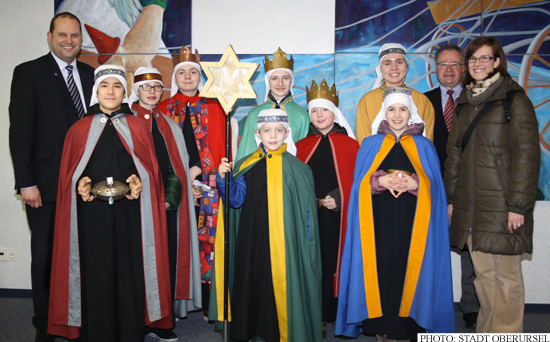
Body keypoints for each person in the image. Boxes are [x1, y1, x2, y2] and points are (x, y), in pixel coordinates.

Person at [48, 65, 172, 341]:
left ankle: (130, 331)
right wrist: (78, 185)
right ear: (96, 91)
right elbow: (69, 174)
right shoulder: (79, 129)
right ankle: (96, 331)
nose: (111, 91)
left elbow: (152, 171)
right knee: (97, 272)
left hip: (130, 213)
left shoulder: (139, 127)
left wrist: (141, 181)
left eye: (117, 86)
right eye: (105, 86)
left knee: (129, 272)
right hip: (92, 215)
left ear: (124, 92)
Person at [336, 87, 454, 340]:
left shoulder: (424, 145)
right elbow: (359, 184)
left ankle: (406, 327)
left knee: (407, 267)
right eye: (392, 109)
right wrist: (380, 182)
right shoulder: (370, 144)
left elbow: (435, 185)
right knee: (381, 266)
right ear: (384, 113)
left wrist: (416, 184)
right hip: (378, 220)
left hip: (413, 222)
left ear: (410, 113)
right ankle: (380, 326)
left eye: (402, 109)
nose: (397, 115)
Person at [8, 12, 94, 342]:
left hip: (86, 186)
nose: (69, 41)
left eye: (74, 36)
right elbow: (20, 134)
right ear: (49, 36)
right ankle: (44, 322)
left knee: (81, 254)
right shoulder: (28, 73)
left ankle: (77, 317)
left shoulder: (90, 75)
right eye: (63, 35)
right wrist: (26, 182)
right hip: (43, 185)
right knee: (45, 255)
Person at [444, 37, 540, 333]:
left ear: (497, 62)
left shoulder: (514, 100)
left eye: (484, 58)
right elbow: (454, 155)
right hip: (470, 206)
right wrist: (451, 199)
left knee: (507, 276)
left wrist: (518, 206)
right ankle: (487, 332)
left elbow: (527, 156)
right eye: (473, 59)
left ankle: (508, 333)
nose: (477, 64)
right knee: (484, 275)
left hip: (502, 205)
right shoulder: (465, 103)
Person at [211, 109, 322, 342]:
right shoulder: (245, 164)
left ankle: (277, 330)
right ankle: (248, 327)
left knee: (278, 288)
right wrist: (224, 180)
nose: (273, 135)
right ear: (258, 134)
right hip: (251, 241)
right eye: (267, 131)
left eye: (278, 130)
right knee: (251, 282)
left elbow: (307, 219)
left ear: (287, 133)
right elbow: (235, 200)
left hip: (284, 245)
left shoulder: (299, 169)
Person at [130, 67, 202, 341]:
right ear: (136, 91)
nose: (151, 91)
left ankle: (160, 322)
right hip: (134, 206)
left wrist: (176, 194)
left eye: (157, 87)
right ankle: (135, 320)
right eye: (146, 87)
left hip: (166, 208)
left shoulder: (169, 124)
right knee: (138, 261)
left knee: (166, 260)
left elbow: (182, 166)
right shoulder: (125, 121)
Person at [157, 46, 227, 319]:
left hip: (208, 187)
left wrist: (199, 171)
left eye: (193, 72)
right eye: (182, 72)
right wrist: (184, 175)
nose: (188, 77)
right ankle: (177, 300)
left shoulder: (215, 107)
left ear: (200, 77)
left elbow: (221, 147)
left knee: (207, 242)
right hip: (175, 186)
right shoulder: (163, 109)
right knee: (177, 240)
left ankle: (208, 300)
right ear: (175, 77)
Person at [295, 80, 359, 337]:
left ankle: (339, 314)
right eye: (314, 111)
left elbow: (356, 181)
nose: (319, 116)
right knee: (312, 263)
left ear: (335, 113)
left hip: (337, 217)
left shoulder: (351, 145)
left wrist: (338, 197)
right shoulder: (301, 145)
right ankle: (316, 314)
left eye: (324, 110)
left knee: (336, 261)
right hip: (309, 217)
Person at [424, 44, 480, 330]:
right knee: (429, 251)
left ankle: (471, 306)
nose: (448, 69)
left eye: (455, 64)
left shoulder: (478, 100)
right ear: (435, 68)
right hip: (429, 190)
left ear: (464, 68)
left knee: (472, 250)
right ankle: (428, 304)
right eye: (443, 64)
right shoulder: (421, 101)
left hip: (468, 188)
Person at [236, 47, 309, 160]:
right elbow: (246, 155)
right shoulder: (254, 114)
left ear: (292, 80)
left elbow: (305, 157)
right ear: (267, 81)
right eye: (274, 78)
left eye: (285, 78)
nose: (280, 83)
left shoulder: (302, 116)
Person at [355, 43, 435, 144]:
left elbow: (426, 144)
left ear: (406, 67)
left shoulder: (422, 101)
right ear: (380, 68)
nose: (394, 68)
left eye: (399, 62)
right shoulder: (367, 101)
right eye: (388, 63)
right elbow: (365, 144)